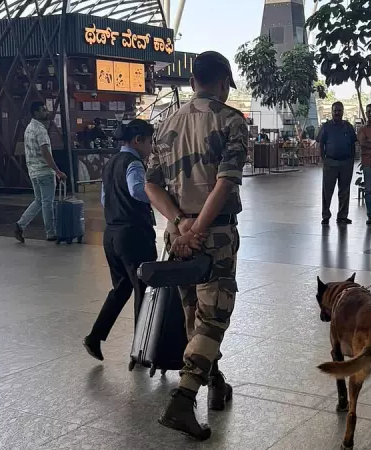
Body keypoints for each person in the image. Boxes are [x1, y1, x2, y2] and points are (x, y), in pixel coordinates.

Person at [145, 50, 246, 441]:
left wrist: (180, 225)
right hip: (213, 235)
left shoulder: (165, 124)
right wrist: (200, 229)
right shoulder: (231, 120)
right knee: (214, 318)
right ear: (222, 84)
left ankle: (215, 382)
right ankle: (183, 401)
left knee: (194, 316)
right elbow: (225, 181)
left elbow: (151, 184)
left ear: (192, 82)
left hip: (178, 237)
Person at [83, 120, 158, 361]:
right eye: (150, 141)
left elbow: (105, 199)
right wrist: (158, 195)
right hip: (134, 235)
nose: (151, 147)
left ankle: (95, 336)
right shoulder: (133, 162)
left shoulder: (111, 163)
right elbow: (137, 190)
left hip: (112, 235)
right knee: (144, 289)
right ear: (138, 140)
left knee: (122, 287)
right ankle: (140, 349)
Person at [14, 101, 66, 243]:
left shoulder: (29, 128)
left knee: (39, 201)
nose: (46, 112)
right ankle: (50, 233)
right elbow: (45, 153)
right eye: (43, 110)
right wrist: (57, 171)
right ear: (35, 112)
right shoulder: (40, 130)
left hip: (33, 172)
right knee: (47, 202)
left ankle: (20, 225)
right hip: (45, 172)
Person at [318, 101, 358, 226]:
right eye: (335, 110)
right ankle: (325, 216)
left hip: (346, 163)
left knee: (344, 191)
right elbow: (321, 144)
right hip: (330, 162)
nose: (337, 112)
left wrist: (351, 160)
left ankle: (342, 216)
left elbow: (353, 144)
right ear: (331, 111)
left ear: (343, 111)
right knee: (327, 191)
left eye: (339, 110)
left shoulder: (348, 126)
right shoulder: (326, 127)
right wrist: (324, 160)